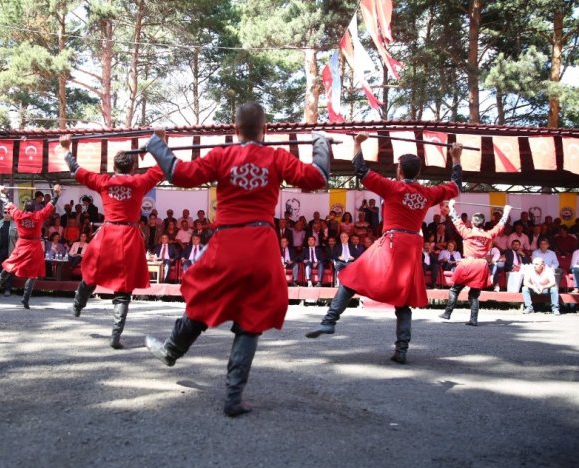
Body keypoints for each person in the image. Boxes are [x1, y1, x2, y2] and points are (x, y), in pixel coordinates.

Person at [143, 102, 330, 416]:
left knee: (204, 300)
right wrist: (320, 142)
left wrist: (156, 143)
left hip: (227, 243)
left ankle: (171, 351)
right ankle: (233, 397)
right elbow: (318, 176)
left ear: (234, 129)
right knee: (250, 321)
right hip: (261, 245)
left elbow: (178, 173)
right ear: (266, 130)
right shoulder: (277, 157)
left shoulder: (221, 155)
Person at [306, 133, 462, 365]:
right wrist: (456, 158)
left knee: (350, 277)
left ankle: (330, 321)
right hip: (412, 247)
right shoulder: (428, 193)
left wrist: (358, 143)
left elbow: (361, 171)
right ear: (417, 173)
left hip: (392, 242)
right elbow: (456, 186)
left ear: (400, 171)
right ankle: (402, 350)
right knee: (404, 300)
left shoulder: (393, 188)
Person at [61, 136, 164, 350]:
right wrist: (160, 141)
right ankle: (115, 335)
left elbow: (76, 169)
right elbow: (163, 166)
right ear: (133, 166)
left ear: (114, 166)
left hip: (108, 234)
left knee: (91, 272)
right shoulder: (139, 182)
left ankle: (78, 304)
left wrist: (66, 148)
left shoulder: (104, 182)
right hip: (129, 235)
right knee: (123, 289)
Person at [438, 201, 511, 326]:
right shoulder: (489, 235)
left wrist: (451, 206)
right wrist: (506, 212)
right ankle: (473, 319)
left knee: (455, 290)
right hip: (480, 265)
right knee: (474, 294)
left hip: (468, 263)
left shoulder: (467, 232)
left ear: (472, 222)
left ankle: (447, 313)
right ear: (483, 224)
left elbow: (456, 219)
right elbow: (500, 226)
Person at [0, 184, 62, 309]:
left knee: (12, 263)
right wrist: (56, 194)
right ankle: (25, 299)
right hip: (35, 246)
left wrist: (2, 192)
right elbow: (50, 205)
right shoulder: (38, 216)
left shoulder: (18, 215)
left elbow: (8, 203)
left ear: (24, 208)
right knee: (33, 274)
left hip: (22, 244)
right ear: (34, 208)